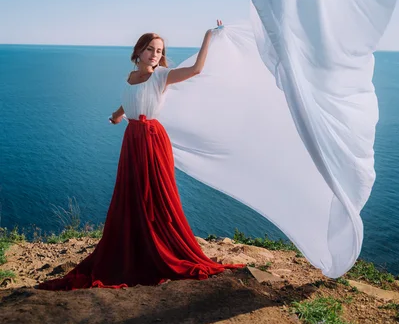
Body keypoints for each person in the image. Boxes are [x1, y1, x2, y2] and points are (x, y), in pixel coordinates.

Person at [38, 21, 244, 290]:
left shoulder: (162, 76)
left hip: (152, 139)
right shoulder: (130, 76)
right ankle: (135, 242)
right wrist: (117, 114)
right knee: (131, 193)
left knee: (156, 196)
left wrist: (208, 36)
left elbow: (196, 69)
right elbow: (131, 97)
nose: (155, 54)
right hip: (132, 139)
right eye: (150, 49)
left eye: (159, 51)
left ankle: (157, 245)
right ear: (138, 51)